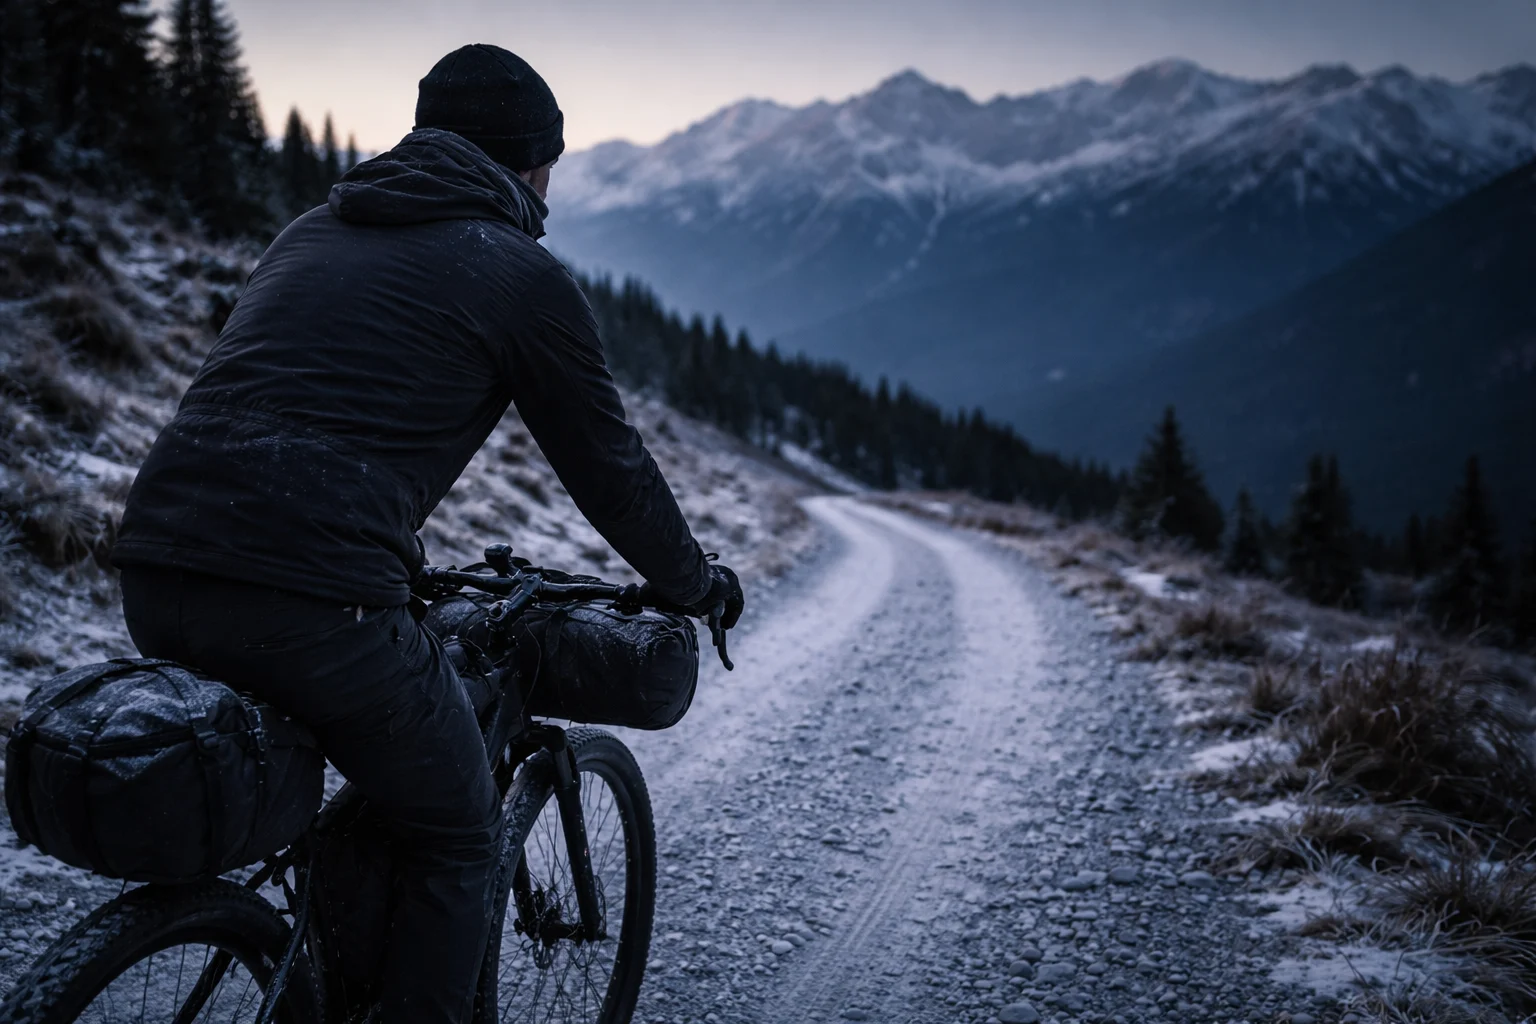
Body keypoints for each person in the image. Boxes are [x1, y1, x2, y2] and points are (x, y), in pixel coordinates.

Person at [111, 43, 743, 1024]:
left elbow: (303, 408)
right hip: (313, 600)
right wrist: (696, 583)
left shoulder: (310, 230)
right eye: (550, 166)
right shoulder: (519, 274)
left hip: (153, 567)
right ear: (527, 163)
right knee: (455, 827)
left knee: (353, 763)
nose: (551, 189)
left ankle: (303, 966)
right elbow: (612, 476)